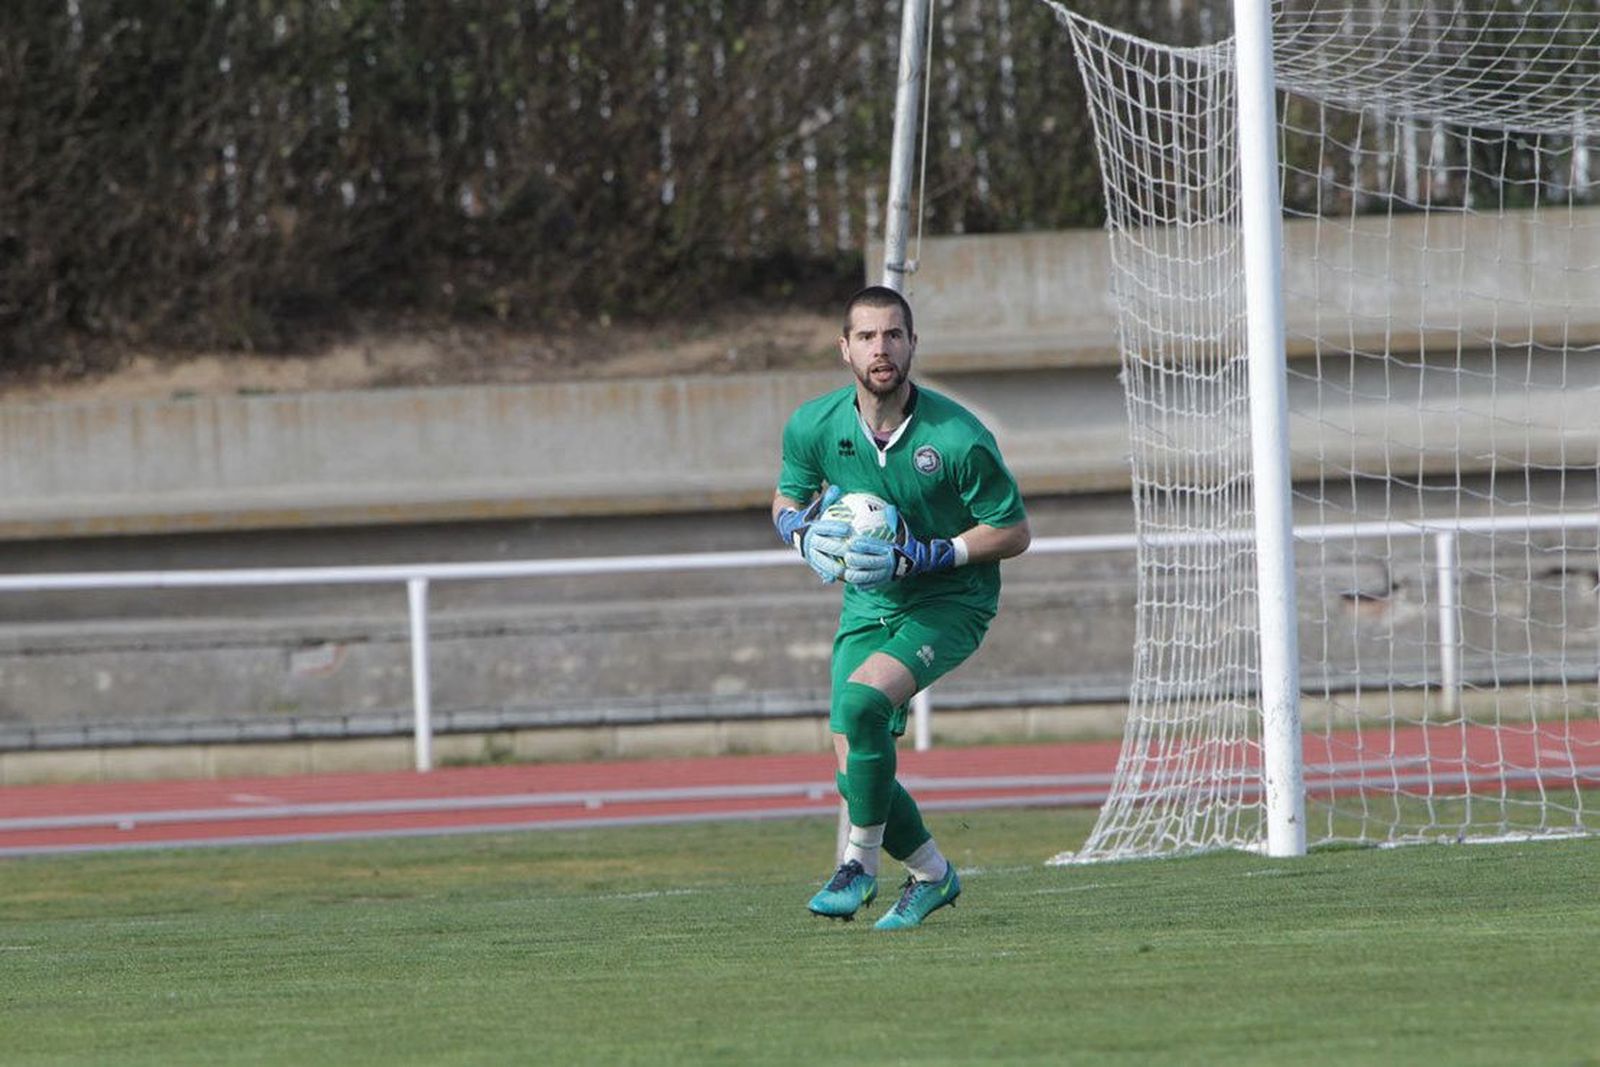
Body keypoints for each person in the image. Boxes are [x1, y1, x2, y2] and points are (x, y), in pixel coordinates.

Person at [772, 284, 1031, 930]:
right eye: (866, 336)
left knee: (859, 706)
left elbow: (1013, 531)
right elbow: (784, 498)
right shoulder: (813, 426)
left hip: (950, 599)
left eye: (892, 334)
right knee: (855, 768)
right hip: (868, 600)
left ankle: (856, 863)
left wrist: (929, 555)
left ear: (913, 344)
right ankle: (933, 874)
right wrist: (800, 534)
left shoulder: (958, 437)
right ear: (844, 349)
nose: (880, 348)